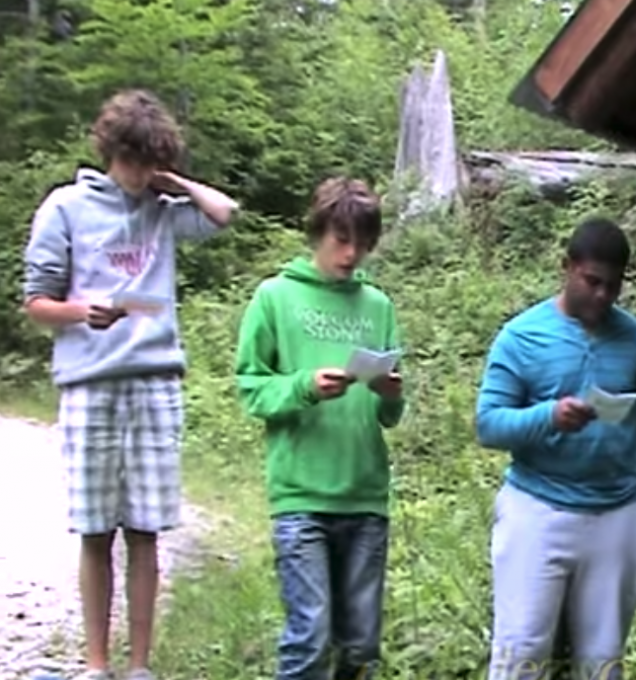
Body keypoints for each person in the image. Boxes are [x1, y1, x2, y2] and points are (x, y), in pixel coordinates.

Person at [21, 89, 239, 680]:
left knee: (145, 528)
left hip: (155, 380)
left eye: (153, 162)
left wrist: (176, 181)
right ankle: (96, 664)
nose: (142, 174)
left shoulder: (162, 210)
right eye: (136, 161)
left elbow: (225, 215)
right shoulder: (65, 208)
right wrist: (80, 311)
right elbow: (35, 303)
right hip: (90, 382)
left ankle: (139, 665)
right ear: (113, 150)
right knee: (96, 528)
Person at [476, 217, 636, 680]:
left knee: (602, 660)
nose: (603, 295)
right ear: (567, 268)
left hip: (618, 513)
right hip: (537, 509)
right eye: (592, 282)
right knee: (522, 649)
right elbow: (488, 424)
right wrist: (547, 416)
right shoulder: (521, 336)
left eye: (614, 286)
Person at [234, 177, 405, 680]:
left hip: (365, 497)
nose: (351, 254)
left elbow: (392, 415)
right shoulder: (275, 297)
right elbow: (251, 389)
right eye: (341, 239)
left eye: (362, 243)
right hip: (302, 496)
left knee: (360, 647)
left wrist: (389, 394)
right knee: (309, 639)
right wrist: (305, 385)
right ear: (318, 233)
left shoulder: (378, 305)